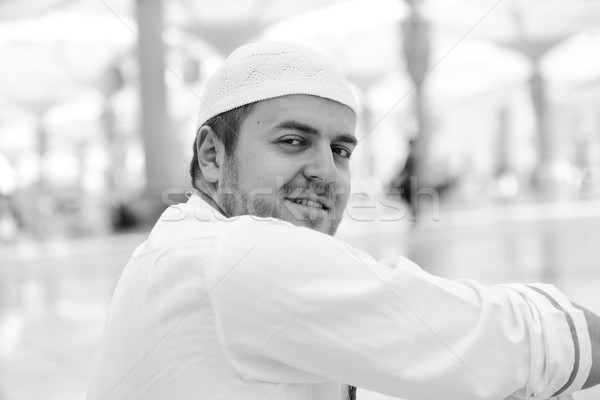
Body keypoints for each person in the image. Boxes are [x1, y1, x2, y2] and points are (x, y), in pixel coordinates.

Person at [87, 42, 600, 400]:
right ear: (212, 155)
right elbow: (516, 339)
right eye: (293, 141)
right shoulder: (233, 255)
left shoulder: (182, 244)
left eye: (340, 150)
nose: (325, 172)